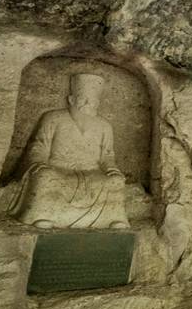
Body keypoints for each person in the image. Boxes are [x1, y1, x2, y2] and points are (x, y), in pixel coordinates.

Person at [8, 73, 129, 229]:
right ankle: (43, 215)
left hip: (90, 170)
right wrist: (39, 162)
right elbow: (40, 145)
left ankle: (111, 219)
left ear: (97, 102)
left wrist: (111, 168)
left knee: (116, 181)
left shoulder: (104, 126)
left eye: (92, 100)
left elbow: (107, 155)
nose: (87, 103)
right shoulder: (53, 118)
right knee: (45, 177)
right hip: (57, 167)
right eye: (83, 99)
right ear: (71, 99)